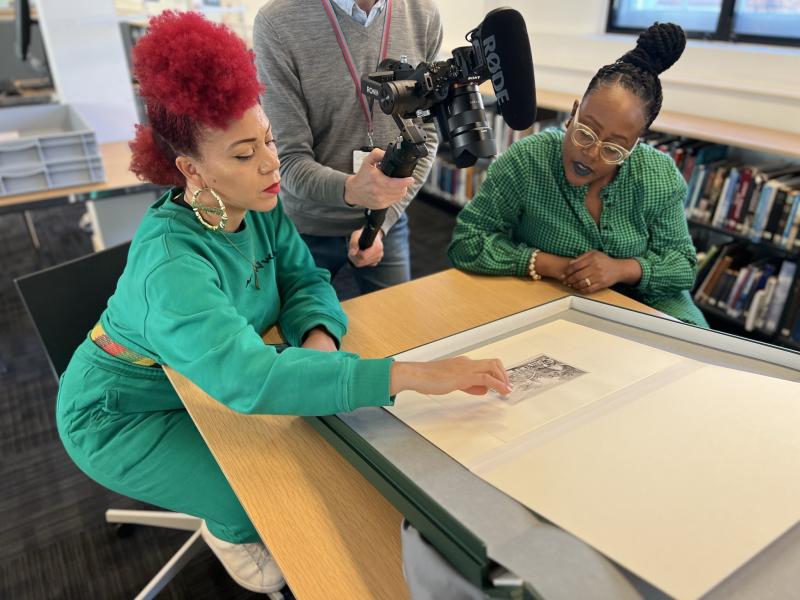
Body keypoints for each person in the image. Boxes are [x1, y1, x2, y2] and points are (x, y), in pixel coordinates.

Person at [55, 12, 510, 595]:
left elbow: (307, 281)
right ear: (191, 170)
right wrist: (416, 375)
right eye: (244, 154)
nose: (272, 164)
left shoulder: (257, 208)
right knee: (265, 500)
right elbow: (250, 380)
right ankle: (227, 529)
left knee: (314, 453)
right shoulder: (173, 266)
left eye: (267, 140)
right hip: (122, 414)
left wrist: (318, 341)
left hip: (196, 381)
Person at [448, 23, 709, 327]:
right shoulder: (528, 161)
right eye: (586, 132)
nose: (592, 153)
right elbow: (467, 242)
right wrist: (552, 265)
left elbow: (683, 267)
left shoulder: (658, 175)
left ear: (636, 144)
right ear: (573, 114)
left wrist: (623, 269)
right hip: (556, 304)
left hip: (655, 310)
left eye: (614, 148)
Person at [253, 0, 442, 297]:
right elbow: (288, 159)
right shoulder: (277, 23)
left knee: (398, 334)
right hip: (308, 228)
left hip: (386, 219)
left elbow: (426, 134)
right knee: (307, 333)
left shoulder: (423, 14)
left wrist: (381, 222)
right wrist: (354, 189)